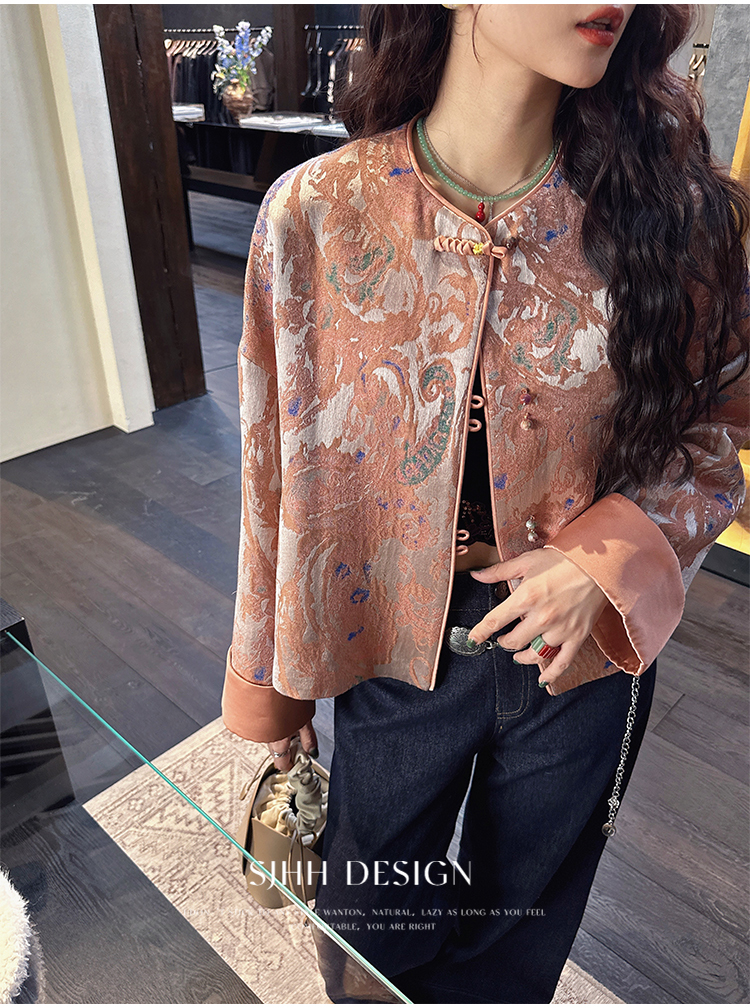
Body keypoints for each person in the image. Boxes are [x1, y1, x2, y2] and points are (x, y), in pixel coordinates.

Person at [221, 4, 750, 1002]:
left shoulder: (672, 215)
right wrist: (271, 692)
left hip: (583, 658)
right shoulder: (317, 211)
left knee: (520, 937)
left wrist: (604, 560)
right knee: (372, 930)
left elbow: (715, 434)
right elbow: (269, 467)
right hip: (386, 643)